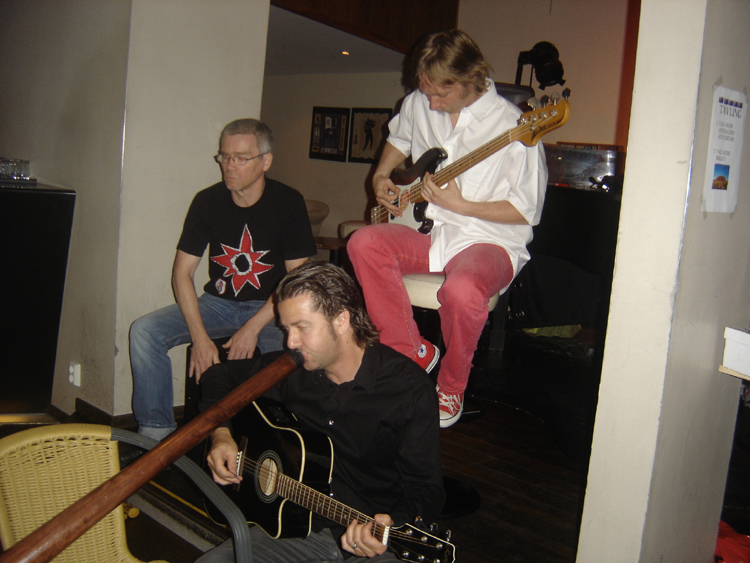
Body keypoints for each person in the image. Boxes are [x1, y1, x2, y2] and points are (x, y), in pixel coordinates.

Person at [347, 29, 548, 428]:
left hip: (490, 240)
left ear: (472, 78)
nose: (432, 103)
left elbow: (527, 211)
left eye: (442, 93)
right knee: (363, 242)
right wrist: (381, 175)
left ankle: (452, 386)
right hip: (430, 231)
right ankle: (410, 351)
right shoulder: (418, 103)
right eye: (427, 92)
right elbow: (399, 139)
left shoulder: (514, 126)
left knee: (462, 290)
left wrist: (463, 205)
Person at [196, 261, 445, 563]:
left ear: (341, 320)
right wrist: (221, 433)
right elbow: (218, 376)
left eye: (301, 327)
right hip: (297, 528)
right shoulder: (292, 371)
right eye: (286, 329)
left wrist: (392, 524)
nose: (290, 342)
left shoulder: (408, 390)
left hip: (371, 543)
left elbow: (426, 489)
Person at [129, 118, 317, 441]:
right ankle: (156, 435)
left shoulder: (288, 202)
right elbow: (182, 273)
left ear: (265, 161)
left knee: (288, 360)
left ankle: (280, 443)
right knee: (144, 332)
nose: (229, 166)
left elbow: (297, 279)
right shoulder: (207, 201)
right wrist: (199, 336)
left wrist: (253, 327)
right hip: (217, 304)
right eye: (224, 157)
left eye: (240, 158)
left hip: (271, 308)